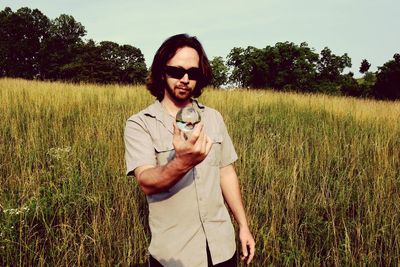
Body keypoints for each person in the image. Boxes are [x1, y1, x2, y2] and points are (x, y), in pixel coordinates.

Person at [124, 33, 255, 267]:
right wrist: (182, 162)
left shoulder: (213, 118)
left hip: (222, 248)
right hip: (174, 255)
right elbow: (146, 181)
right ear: (162, 73)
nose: (185, 79)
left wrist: (243, 226)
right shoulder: (140, 123)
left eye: (192, 73)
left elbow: (226, 172)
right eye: (176, 71)